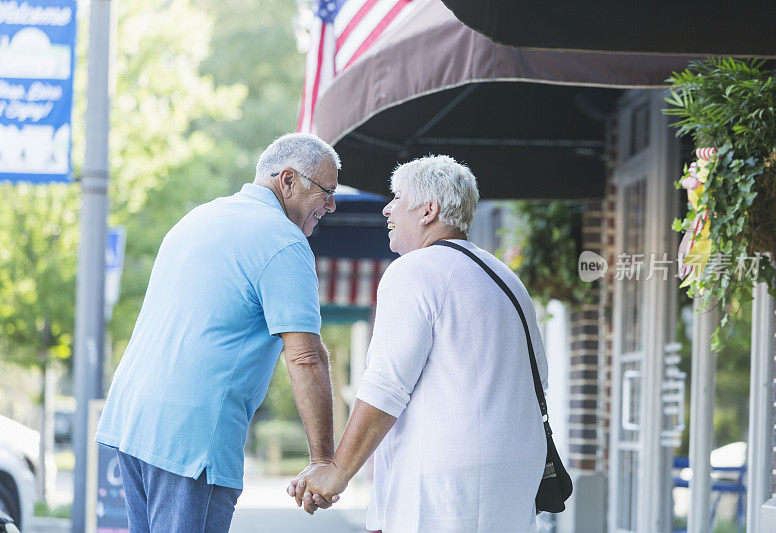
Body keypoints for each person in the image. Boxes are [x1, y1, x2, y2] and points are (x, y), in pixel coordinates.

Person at [288, 155, 550, 532]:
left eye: (396, 197)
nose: (387, 208)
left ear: (429, 210)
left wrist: (337, 472)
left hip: (444, 488)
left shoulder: (414, 271)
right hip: (514, 478)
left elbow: (385, 387)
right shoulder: (508, 279)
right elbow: (538, 379)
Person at [96, 132, 341, 532]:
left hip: (132, 422)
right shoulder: (283, 240)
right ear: (288, 180)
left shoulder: (200, 217)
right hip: (192, 439)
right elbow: (305, 357)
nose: (331, 205)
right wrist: (322, 461)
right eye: (325, 191)